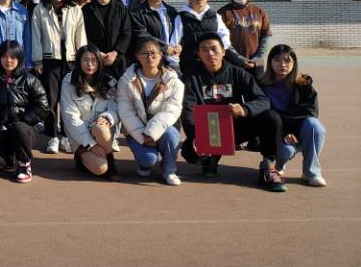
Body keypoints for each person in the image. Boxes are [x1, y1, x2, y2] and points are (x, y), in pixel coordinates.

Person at [181, 34, 285, 190]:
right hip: (209, 131)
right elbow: (188, 110)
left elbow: (263, 100)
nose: (210, 53)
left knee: (271, 117)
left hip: (235, 127)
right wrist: (196, 137)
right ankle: (210, 160)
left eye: (214, 49)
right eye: (204, 50)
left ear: (223, 51)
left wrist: (244, 109)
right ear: (198, 54)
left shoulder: (238, 73)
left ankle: (268, 165)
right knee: (189, 151)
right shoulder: (191, 77)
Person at [31, 0, 87, 154]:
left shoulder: (75, 8)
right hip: (50, 60)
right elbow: (36, 36)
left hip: (71, 60)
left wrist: (82, 59)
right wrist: (37, 60)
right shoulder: (41, 8)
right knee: (51, 99)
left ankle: (66, 136)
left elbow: (80, 36)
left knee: (69, 99)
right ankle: (53, 136)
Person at [116, 38, 184, 185]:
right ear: (137, 56)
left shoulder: (173, 80)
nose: (150, 57)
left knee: (171, 136)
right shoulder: (126, 80)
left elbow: (171, 110)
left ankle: (169, 170)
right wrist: (142, 135)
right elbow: (126, 111)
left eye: (154, 53)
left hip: (163, 127)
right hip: (137, 130)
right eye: (145, 53)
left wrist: (151, 132)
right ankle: (144, 164)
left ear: (161, 55)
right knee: (148, 160)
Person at [0, 41, 50, 182]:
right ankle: (10, 157)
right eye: (4, 57)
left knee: (19, 129)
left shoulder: (30, 80)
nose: (8, 60)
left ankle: (25, 164)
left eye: (13, 57)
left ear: (20, 58)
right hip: (1, 130)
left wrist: (25, 121)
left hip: (24, 130)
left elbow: (43, 107)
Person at [261, 45, 326, 187]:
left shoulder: (304, 83)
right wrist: (283, 132)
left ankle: (311, 173)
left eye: (287, 60)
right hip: (277, 132)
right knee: (286, 151)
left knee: (315, 125)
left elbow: (311, 110)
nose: (282, 64)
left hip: (299, 130)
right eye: (277, 60)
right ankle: (277, 166)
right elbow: (264, 115)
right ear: (270, 62)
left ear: (294, 63)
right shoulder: (261, 84)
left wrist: (292, 131)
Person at [60, 45, 119, 179]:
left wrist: (107, 117)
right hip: (80, 137)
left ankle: (110, 160)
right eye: (86, 60)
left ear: (99, 62)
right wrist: (90, 145)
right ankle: (81, 154)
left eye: (94, 60)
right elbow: (70, 117)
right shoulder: (69, 82)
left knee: (100, 128)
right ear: (79, 61)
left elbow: (116, 108)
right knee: (100, 169)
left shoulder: (109, 82)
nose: (90, 64)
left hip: (101, 133)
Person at [170, 0, 246, 77]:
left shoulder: (215, 16)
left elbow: (224, 37)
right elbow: (174, 43)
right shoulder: (181, 17)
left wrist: (218, 53)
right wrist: (175, 65)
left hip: (213, 64)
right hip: (190, 66)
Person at [217, 0, 272, 77]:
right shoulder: (222, 13)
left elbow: (266, 36)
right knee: (236, 87)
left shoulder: (259, 11)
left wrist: (258, 58)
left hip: (257, 64)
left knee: (257, 86)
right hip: (232, 62)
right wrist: (240, 59)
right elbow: (222, 41)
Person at [82, 0, 132, 78]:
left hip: (117, 60)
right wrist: (96, 52)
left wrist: (115, 52)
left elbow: (126, 33)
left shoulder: (120, 8)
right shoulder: (86, 9)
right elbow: (83, 34)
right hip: (93, 59)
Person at [130, 0, 180, 67]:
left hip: (172, 59)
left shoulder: (171, 11)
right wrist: (164, 47)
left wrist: (180, 45)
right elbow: (141, 34)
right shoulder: (138, 12)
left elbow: (180, 31)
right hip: (150, 58)